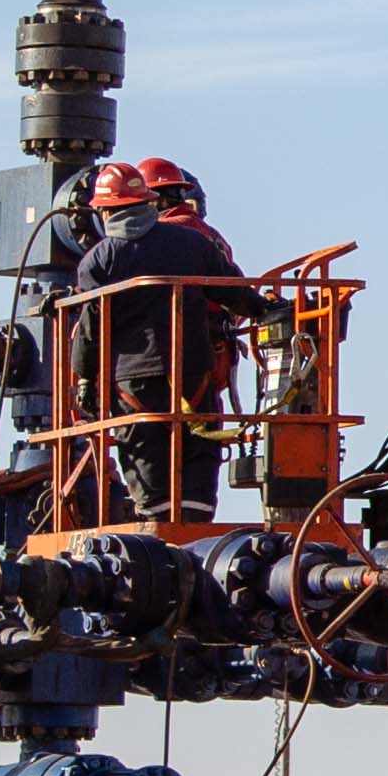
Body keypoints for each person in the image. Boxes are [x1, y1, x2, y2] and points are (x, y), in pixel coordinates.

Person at [77, 157, 249, 519]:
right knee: (198, 453)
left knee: (147, 462)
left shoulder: (99, 259)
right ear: (148, 201)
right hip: (194, 372)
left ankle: (157, 533)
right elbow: (232, 290)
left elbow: (92, 329)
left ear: (105, 212)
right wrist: (269, 309)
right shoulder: (193, 242)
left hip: (134, 382)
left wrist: (84, 378)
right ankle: (195, 530)